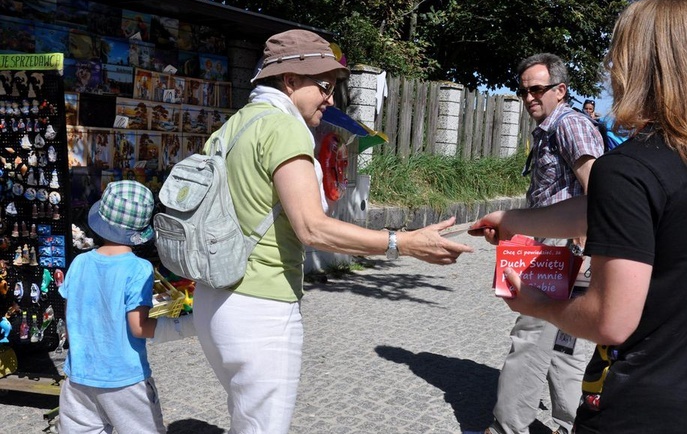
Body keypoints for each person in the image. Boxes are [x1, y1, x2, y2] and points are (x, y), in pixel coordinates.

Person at [472, 0, 687, 433]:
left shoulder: (630, 166)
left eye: (617, 55)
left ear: (642, 65)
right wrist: (515, 222)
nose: (610, 69)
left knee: (541, 343)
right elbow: (619, 207)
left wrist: (541, 304)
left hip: (645, 405)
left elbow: (611, 320)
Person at [193, 29, 473, 434]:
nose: (330, 98)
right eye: (324, 86)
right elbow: (312, 228)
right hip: (261, 309)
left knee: (245, 420)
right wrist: (402, 243)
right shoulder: (285, 128)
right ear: (290, 80)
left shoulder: (234, 126)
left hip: (214, 303)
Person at [486, 53, 604, 434]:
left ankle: (509, 428)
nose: (529, 97)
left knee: (532, 334)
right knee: (563, 344)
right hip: (563, 246)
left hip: (561, 248)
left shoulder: (569, 125)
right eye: (524, 91)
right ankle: (573, 424)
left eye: (537, 89)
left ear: (560, 90)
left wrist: (586, 248)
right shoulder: (553, 128)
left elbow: (598, 189)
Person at [59, 181, 194, 434]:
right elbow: (139, 327)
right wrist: (188, 325)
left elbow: (71, 316)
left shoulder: (78, 263)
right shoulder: (138, 268)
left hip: (78, 377)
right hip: (125, 380)